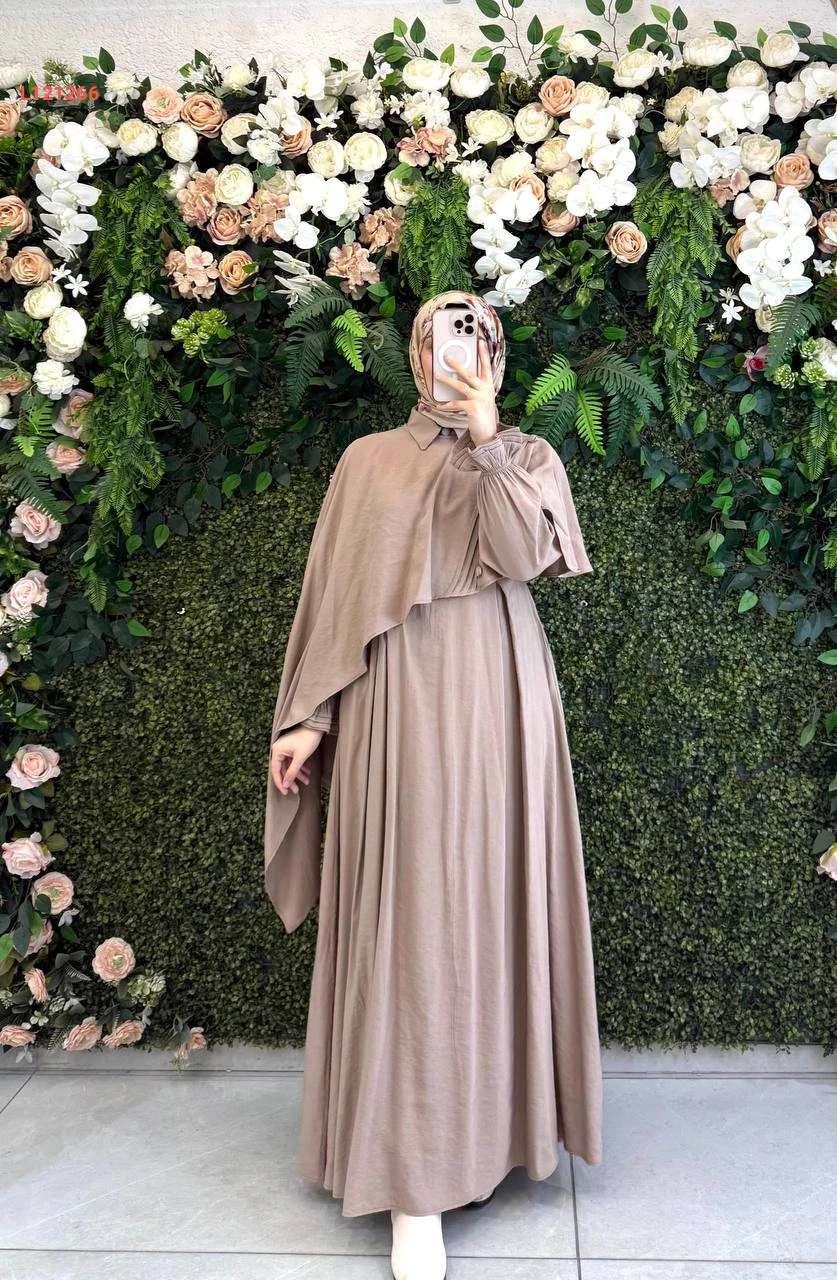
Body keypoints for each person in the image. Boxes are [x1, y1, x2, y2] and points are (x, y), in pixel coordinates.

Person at [264, 290, 603, 1280]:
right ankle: (413, 1178)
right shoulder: (367, 461)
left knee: (493, 909)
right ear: (413, 355)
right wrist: (310, 715)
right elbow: (335, 600)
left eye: (474, 332)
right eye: (438, 334)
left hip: (500, 700)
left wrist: (489, 437)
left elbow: (524, 555)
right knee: (412, 919)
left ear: (496, 352)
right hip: (394, 705)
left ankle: (488, 1136)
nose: (455, 349)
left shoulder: (529, 457)